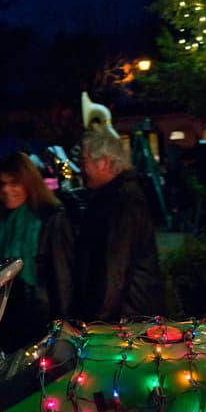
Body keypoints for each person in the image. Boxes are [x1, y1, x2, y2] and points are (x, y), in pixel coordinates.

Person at [71, 95, 162, 322]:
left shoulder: (122, 200)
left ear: (104, 162)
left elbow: (115, 267)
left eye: (84, 161)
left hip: (124, 316)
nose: (80, 169)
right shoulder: (119, 195)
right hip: (126, 312)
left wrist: (99, 320)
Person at [0, 152, 73, 351]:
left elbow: (63, 274)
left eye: (14, 183)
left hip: (41, 315)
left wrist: (63, 320)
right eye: (1, 184)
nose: (6, 190)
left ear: (29, 183)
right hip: (6, 316)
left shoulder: (50, 217)